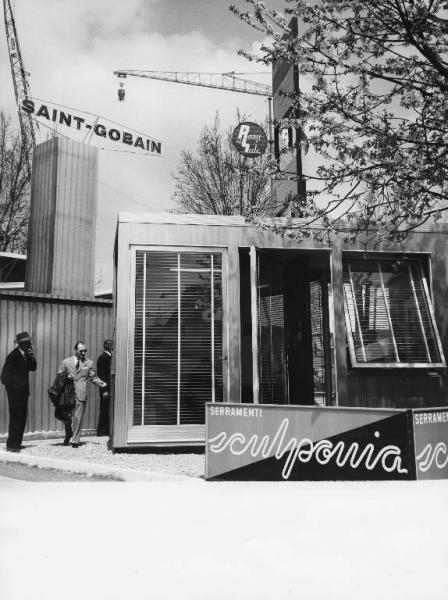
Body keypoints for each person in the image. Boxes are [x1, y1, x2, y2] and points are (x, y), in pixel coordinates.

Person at [57, 341, 106, 448]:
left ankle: (75, 440)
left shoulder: (89, 363)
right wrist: (66, 376)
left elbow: (93, 377)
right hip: (67, 393)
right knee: (67, 417)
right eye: (81, 351)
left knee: (78, 417)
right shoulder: (66, 362)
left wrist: (101, 383)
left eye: (85, 351)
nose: (83, 353)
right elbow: (59, 375)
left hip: (81, 393)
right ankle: (68, 433)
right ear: (75, 350)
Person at [0, 331, 37, 453]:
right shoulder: (13, 355)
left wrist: (31, 356)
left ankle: (17, 443)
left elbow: (33, 368)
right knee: (16, 418)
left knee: (22, 418)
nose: (29, 345)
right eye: (26, 343)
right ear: (20, 344)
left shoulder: (26, 355)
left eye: (29, 343)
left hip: (24, 393)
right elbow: (4, 377)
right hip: (15, 394)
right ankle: (12, 445)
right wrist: (15, 387)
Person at [96, 339, 113, 436]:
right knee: (104, 409)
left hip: (110, 388)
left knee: (108, 409)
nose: (110, 346)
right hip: (105, 389)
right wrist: (104, 391)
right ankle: (102, 432)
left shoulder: (111, 357)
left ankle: (107, 431)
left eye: (111, 344)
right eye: (108, 344)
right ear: (105, 346)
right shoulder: (103, 358)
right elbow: (101, 376)